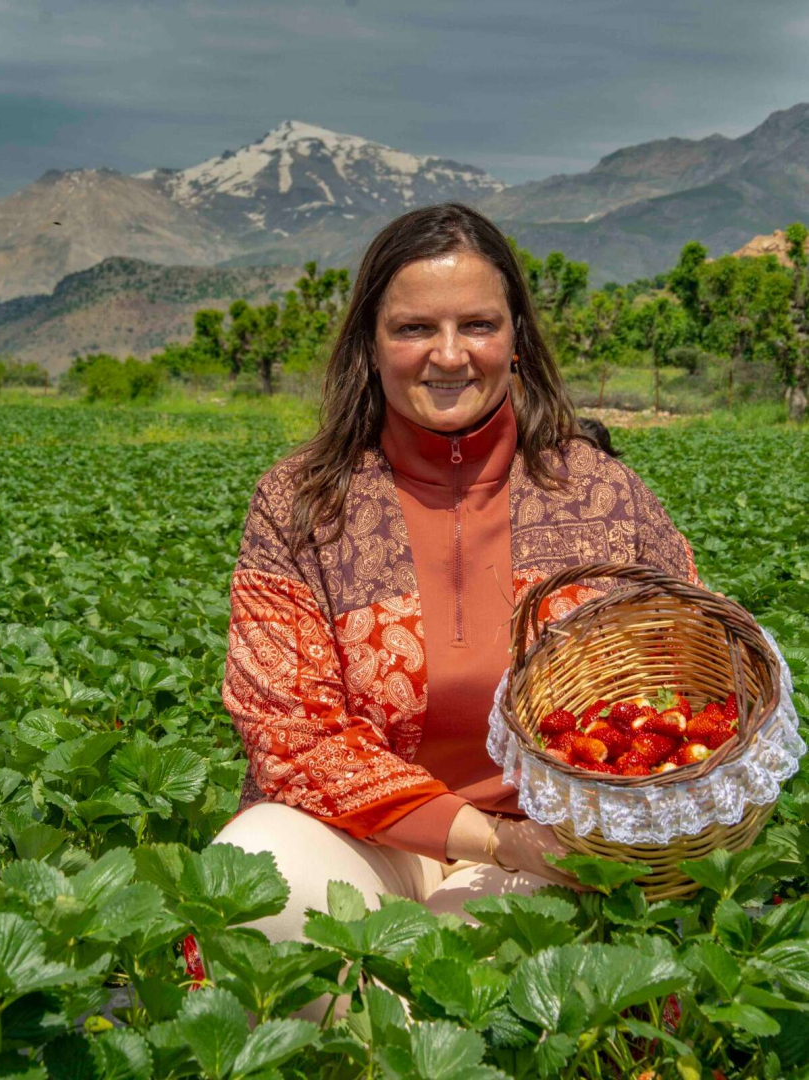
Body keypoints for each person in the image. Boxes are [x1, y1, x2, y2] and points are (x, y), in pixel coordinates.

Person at [190, 202, 702, 1017]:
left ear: (517, 337)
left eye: (479, 325)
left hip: (554, 847)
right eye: (414, 329)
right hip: (365, 835)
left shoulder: (602, 492)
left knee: (460, 969)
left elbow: (691, 668)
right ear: (369, 342)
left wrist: (582, 833)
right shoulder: (302, 503)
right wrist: (492, 838)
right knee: (252, 887)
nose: (450, 355)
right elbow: (291, 734)